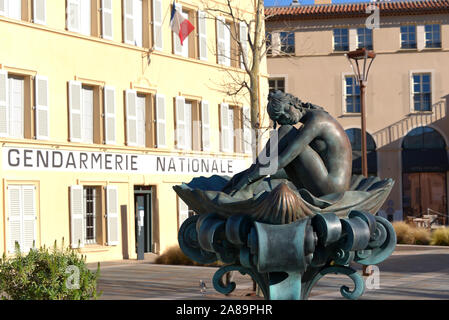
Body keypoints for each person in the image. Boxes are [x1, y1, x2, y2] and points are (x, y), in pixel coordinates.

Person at [222, 90, 352, 197]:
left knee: (286, 131)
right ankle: (246, 180)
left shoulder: (317, 121)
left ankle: (246, 186)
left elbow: (284, 160)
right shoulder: (308, 123)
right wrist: (251, 171)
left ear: (292, 104)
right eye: (278, 119)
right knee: (283, 137)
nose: (283, 118)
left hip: (332, 188)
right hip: (323, 184)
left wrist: (250, 178)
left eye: (283, 113)